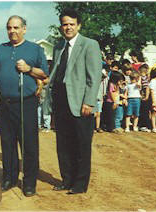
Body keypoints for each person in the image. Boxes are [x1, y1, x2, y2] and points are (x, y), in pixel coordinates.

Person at [0, 15, 48, 197]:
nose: (13, 31)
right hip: (5, 103)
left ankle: (29, 182)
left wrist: (29, 69)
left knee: (29, 144)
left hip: (26, 103)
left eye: (16, 28)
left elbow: (44, 75)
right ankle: (9, 178)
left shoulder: (35, 49)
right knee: (7, 143)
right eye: (9, 28)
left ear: (24, 29)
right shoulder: (1, 49)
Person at [44, 9, 102, 195]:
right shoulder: (59, 46)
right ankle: (66, 180)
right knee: (63, 144)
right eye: (64, 24)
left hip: (80, 103)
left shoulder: (89, 44)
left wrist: (89, 102)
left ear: (78, 25)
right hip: (61, 101)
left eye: (71, 24)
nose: (68, 27)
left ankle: (80, 184)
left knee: (82, 145)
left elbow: (94, 76)